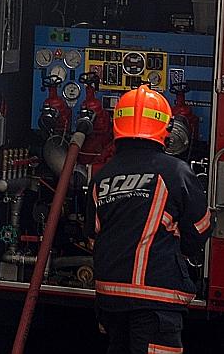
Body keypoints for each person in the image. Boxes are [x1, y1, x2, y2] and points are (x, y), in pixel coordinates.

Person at [90, 86, 211, 354]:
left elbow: (92, 234)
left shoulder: (102, 177)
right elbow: (201, 226)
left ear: (116, 125)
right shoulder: (176, 172)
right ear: (165, 130)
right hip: (157, 298)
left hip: (110, 298)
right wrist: (183, 252)